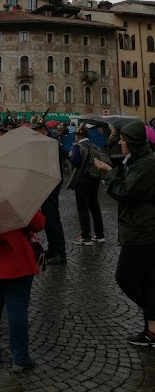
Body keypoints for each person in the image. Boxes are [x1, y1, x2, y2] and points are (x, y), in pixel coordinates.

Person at [95, 121, 155, 347]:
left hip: (142, 230)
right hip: (143, 227)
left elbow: (125, 193)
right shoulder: (140, 161)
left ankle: (153, 315)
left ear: (133, 142)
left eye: (122, 139)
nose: (119, 142)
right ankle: (152, 331)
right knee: (149, 281)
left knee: (125, 277)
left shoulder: (146, 165)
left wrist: (109, 173)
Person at [0, 210, 46, 372]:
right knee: (17, 307)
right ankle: (20, 358)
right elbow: (38, 223)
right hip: (18, 258)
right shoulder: (18, 195)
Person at [31, 120, 66, 266]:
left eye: (35, 130)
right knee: (48, 220)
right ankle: (53, 249)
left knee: (52, 219)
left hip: (50, 185)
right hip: (46, 185)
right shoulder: (46, 142)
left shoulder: (50, 143)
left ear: (41, 129)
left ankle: (60, 253)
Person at [68, 126, 105, 246]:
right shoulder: (93, 145)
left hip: (82, 180)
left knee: (82, 207)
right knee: (94, 206)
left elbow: (76, 161)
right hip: (94, 179)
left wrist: (71, 156)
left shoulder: (78, 146)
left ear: (78, 136)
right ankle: (99, 235)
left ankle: (86, 236)